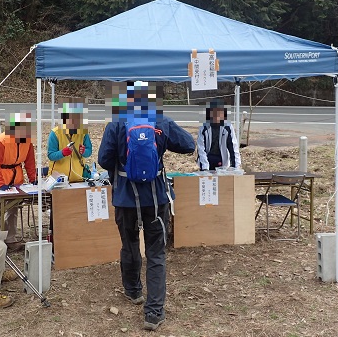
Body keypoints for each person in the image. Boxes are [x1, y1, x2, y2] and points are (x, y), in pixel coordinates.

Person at [98, 81, 195, 331]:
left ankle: (133, 291)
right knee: (156, 253)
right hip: (157, 199)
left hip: (125, 200)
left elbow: (102, 159)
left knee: (129, 246)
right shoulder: (160, 122)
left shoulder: (117, 124)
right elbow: (188, 145)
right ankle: (154, 313)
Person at [0, 113, 37, 250]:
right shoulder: (0, 141)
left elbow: (30, 162)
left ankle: (10, 239)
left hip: (16, 180)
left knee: (13, 210)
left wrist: (33, 179)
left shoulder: (28, 141)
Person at [47, 102, 93, 183]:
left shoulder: (83, 133)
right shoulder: (55, 133)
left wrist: (84, 152)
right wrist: (63, 153)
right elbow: (51, 155)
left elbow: (89, 151)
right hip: (58, 179)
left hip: (78, 178)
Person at [196, 100, 241, 170]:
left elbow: (233, 147)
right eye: (214, 113)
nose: (216, 116)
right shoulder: (204, 128)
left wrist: (235, 167)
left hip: (222, 160)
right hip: (207, 158)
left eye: (219, 113)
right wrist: (205, 168)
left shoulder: (228, 127)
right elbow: (201, 149)